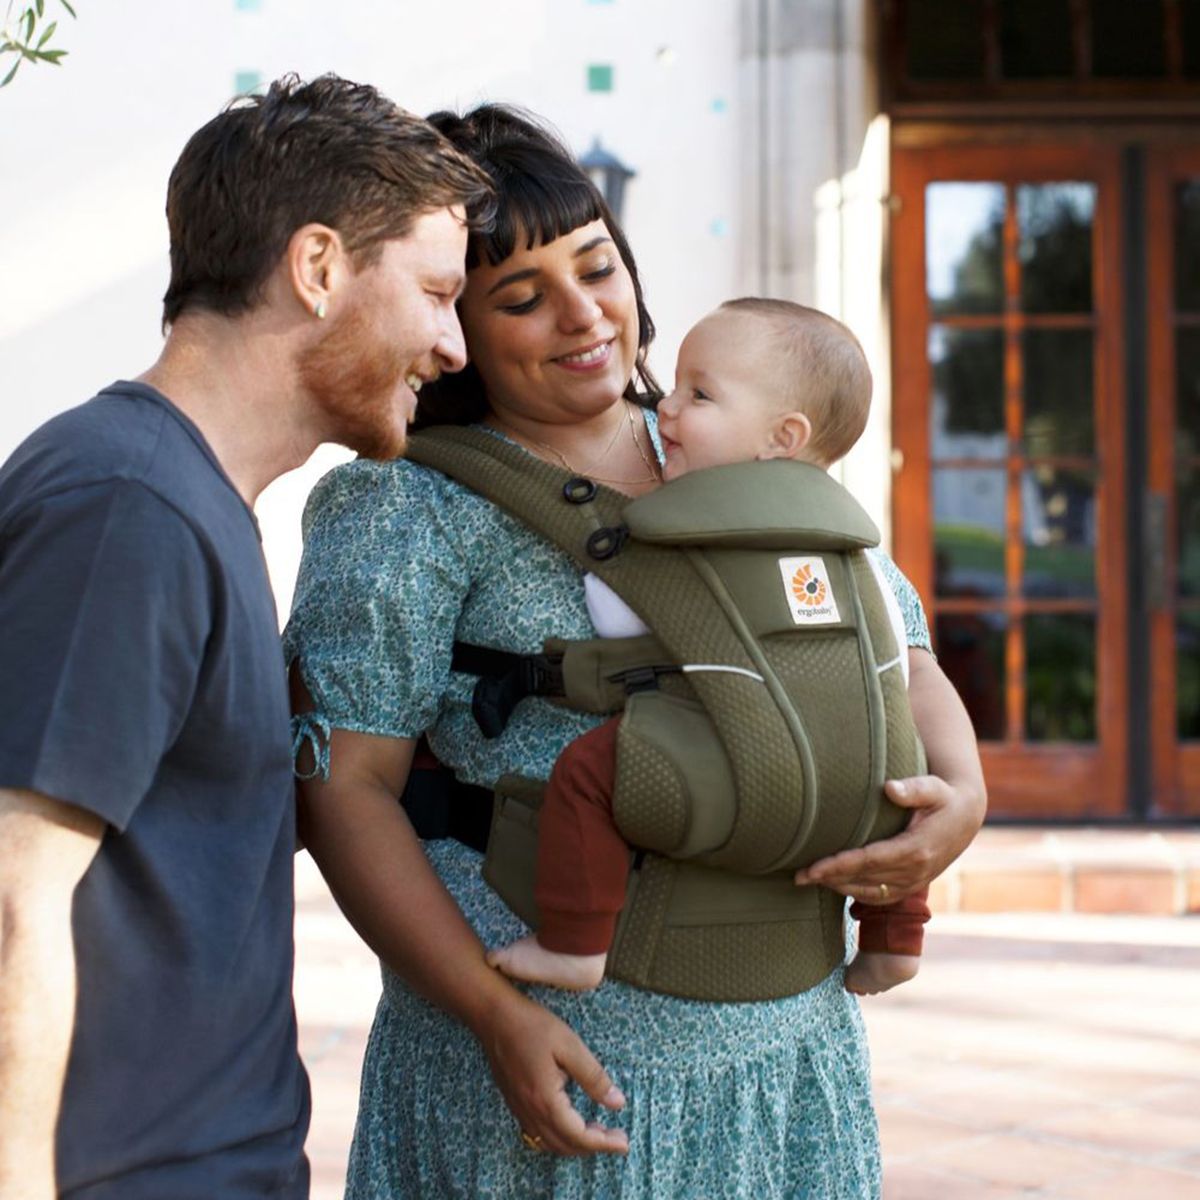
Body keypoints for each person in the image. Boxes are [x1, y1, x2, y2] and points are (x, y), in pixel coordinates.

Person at [285, 103, 986, 1198]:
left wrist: (966, 797)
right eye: (522, 297)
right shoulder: (408, 509)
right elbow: (344, 788)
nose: (584, 316)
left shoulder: (741, 445)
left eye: (597, 266)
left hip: (788, 1062)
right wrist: (493, 1017)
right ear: (456, 326)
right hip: (539, 1072)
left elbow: (894, 643)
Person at [0, 73, 492, 1200]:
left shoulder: (179, 493)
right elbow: (15, 895)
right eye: (435, 292)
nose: (452, 345)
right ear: (318, 268)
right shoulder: (128, 507)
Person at [487, 297, 932, 997]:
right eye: (674, 385)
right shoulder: (852, 547)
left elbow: (614, 618)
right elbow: (892, 652)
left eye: (699, 395)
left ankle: (574, 943)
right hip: (865, 784)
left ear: (782, 436)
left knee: (586, 775)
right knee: (908, 776)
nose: (665, 407)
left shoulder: (677, 531)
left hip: (735, 771)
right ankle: (895, 938)